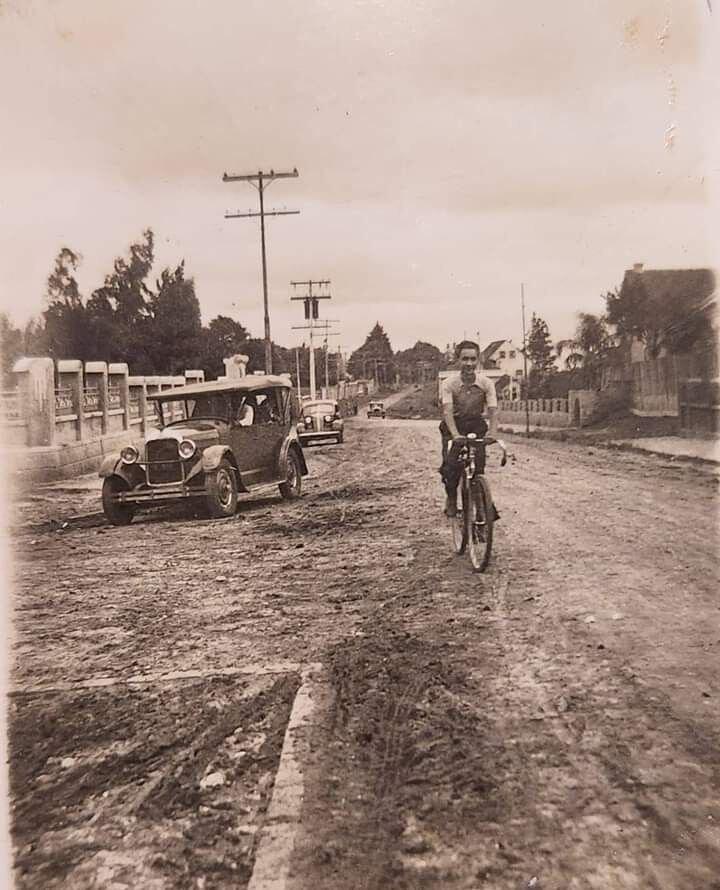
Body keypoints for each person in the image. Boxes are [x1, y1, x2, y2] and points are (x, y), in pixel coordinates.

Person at [439, 340, 498, 518]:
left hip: (475, 424)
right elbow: (448, 411)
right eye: (465, 359)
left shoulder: (486, 383)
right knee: (450, 467)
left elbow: (493, 410)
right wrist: (455, 435)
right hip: (454, 425)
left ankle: (482, 509)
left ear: (478, 360)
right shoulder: (449, 384)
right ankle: (451, 498)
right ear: (458, 360)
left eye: (473, 359)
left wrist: (492, 433)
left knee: (478, 466)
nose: (469, 364)